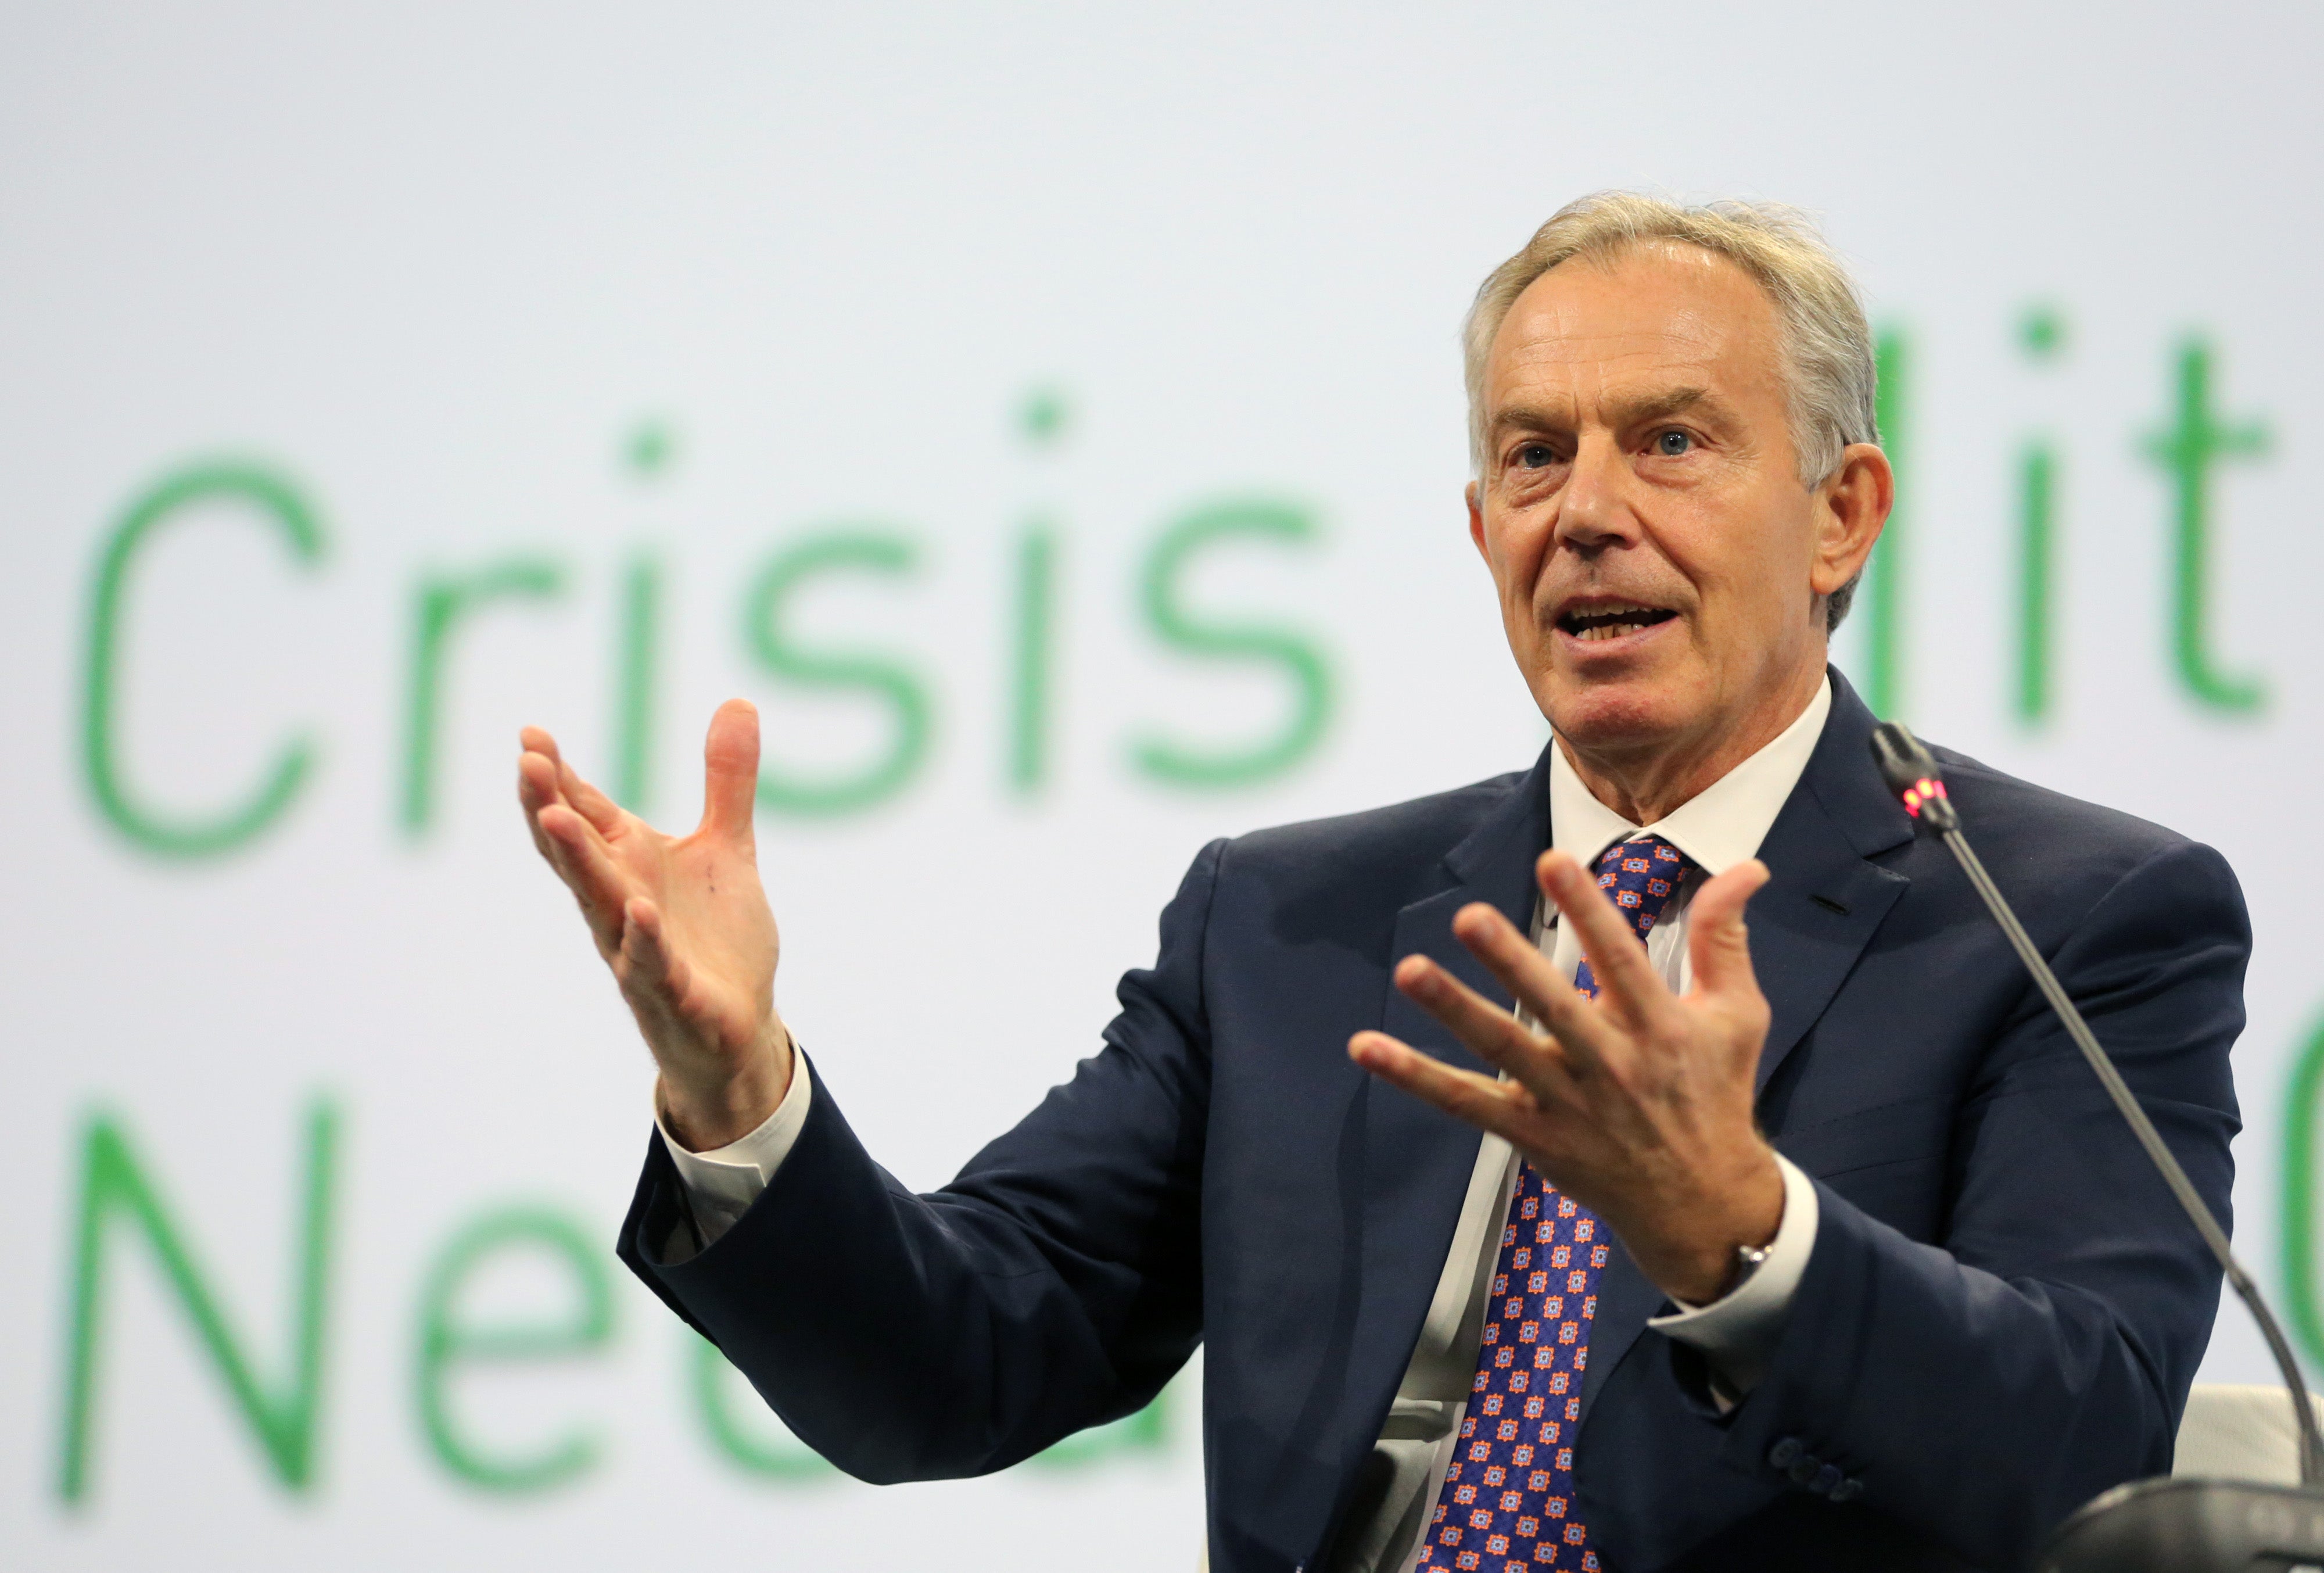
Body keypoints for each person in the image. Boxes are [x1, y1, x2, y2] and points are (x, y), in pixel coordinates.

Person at [516, 194, 2246, 1572]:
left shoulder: (2071, 916)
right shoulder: (1282, 925)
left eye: (1669, 441)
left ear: (1841, 513)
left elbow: (2082, 1439)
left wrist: (1739, 1226)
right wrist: (737, 1090)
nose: (1583, 510)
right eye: (1530, 452)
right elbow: (951, 1361)